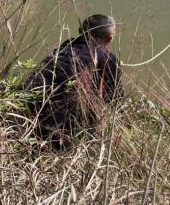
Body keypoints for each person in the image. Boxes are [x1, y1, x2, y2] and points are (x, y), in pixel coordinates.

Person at [22, 14, 123, 148]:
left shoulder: (62, 49)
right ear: (110, 38)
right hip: (59, 129)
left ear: (81, 31)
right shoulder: (107, 58)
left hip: (26, 114)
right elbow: (114, 100)